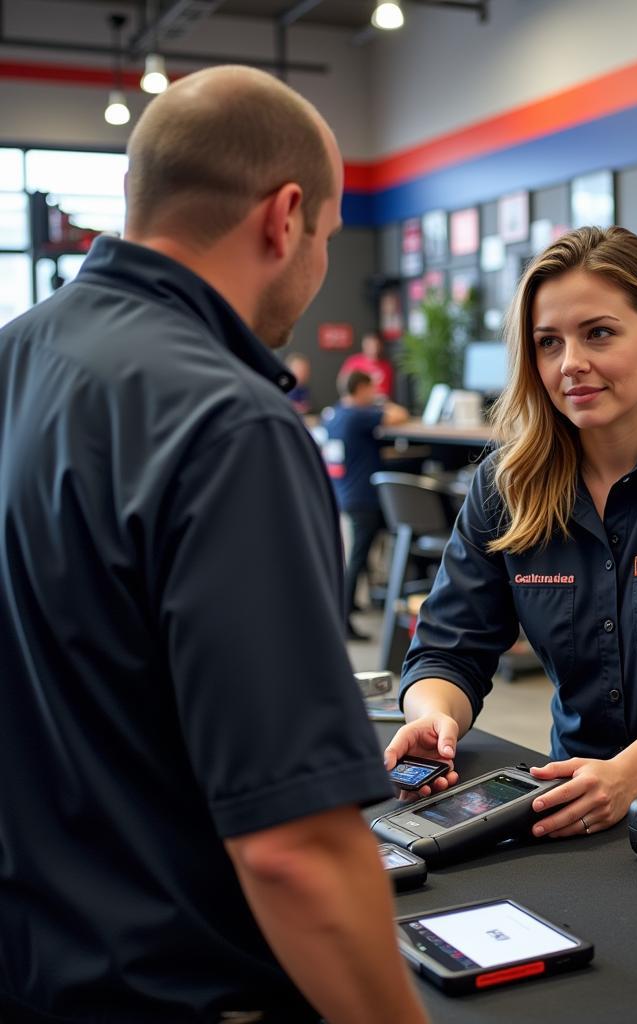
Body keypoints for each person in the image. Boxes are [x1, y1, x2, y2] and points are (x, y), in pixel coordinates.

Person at [0, 66, 428, 1024]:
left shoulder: (17, 355)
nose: (317, 269)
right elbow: (294, 846)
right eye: (323, 237)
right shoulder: (227, 420)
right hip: (177, 986)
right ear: (285, 219)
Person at [385, 226, 637, 836]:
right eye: (548, 343)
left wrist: (629, 776)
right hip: (580, 806)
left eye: (598, 333)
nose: (570, 364)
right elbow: (449, 648)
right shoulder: (507, 484)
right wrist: (434, 715)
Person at [323, 368, 409, 639]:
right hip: (364, 498)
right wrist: (383, 401)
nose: (373, 393)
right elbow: (399, 415)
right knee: (358, 559)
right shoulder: (359, 415)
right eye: (370, 389)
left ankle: (358, 603)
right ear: (360, 389)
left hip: (344, 494)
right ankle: (342, 618)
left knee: (360, 556)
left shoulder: (333, 416)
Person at [341, 330, 395, 398]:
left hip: (380, 402)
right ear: (364, 345)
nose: (373, 348)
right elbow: (343, 383)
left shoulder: (386, 366)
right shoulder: (353, 362)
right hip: (359, 401)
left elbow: (388, 390)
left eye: (375, 344)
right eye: (369, 344)